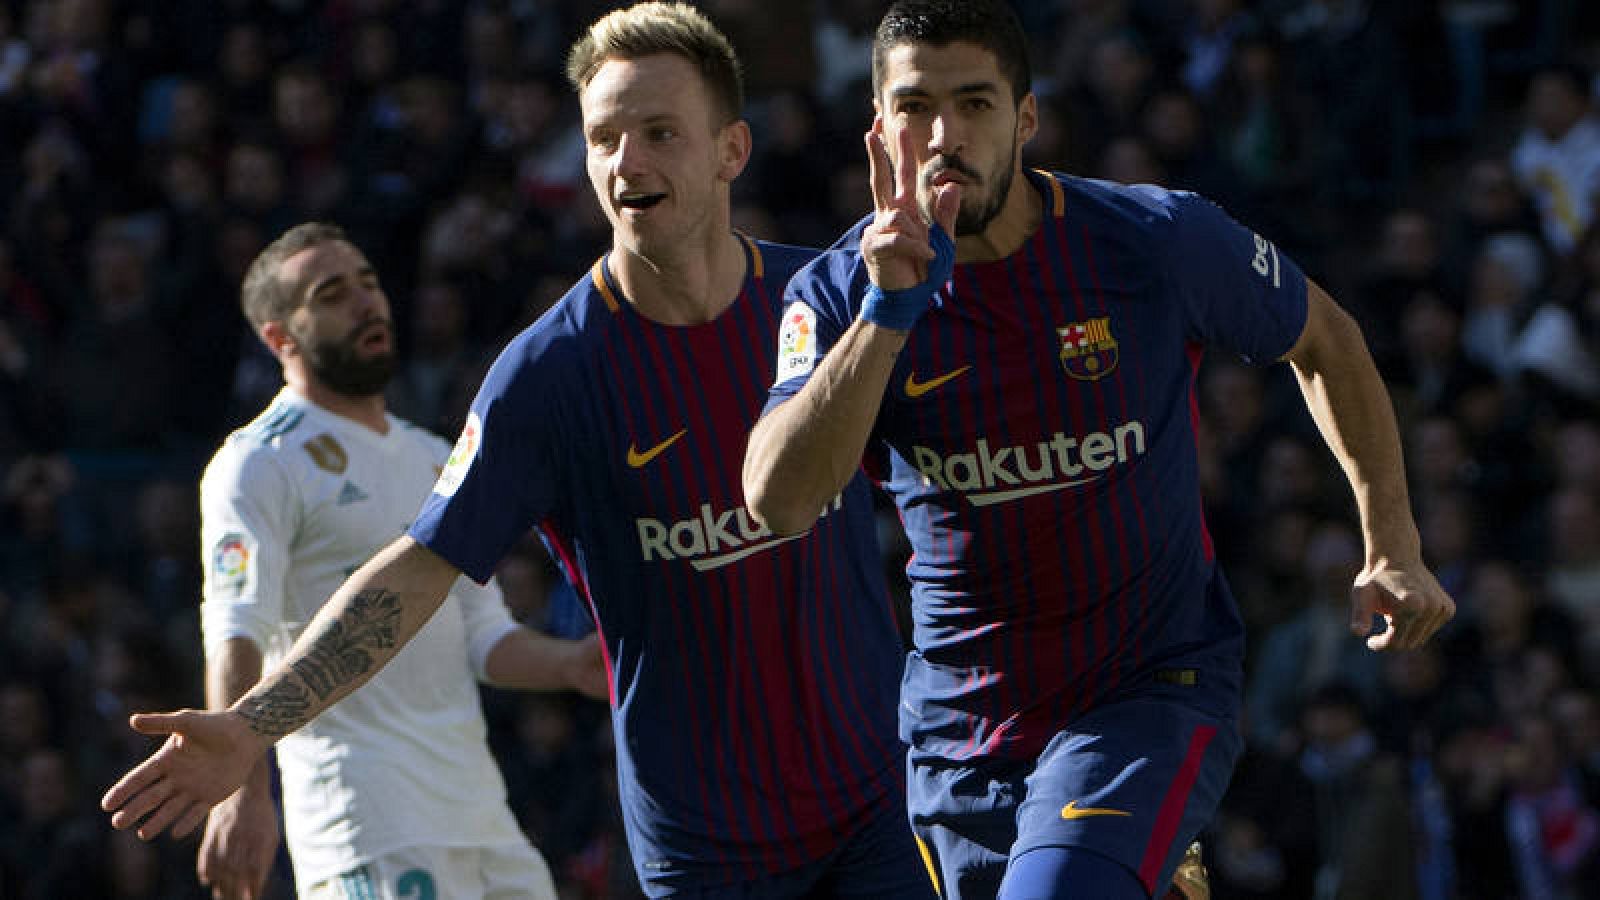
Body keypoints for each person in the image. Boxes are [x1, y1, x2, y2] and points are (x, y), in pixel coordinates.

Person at [102, 5, 933, 898]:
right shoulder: (549, 375)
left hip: (881, 807)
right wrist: (254, 725)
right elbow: (421, 567)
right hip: (710, 850)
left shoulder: (836, 297)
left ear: (732, 150)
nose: (628, 163)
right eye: (604, 137)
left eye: (660, 133)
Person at [741, 2, 1457, 898]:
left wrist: (1390, 542)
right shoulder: (838, 293)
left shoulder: (1153, 240)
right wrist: (890, 312)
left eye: (976, 104)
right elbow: (777, 500)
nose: (945, 136)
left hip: (1147, 692)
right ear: (880, 128)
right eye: (918, 107)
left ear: (1027, 119)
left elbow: (1328, 340)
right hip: (961, 737)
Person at [186, 221, 608, 900]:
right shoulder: (256, 462)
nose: (366, 303)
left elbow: (483, 636)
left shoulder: (433, 455)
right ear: (279, 338)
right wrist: (241, 792)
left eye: (369, 283)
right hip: (368, 822)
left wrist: (569, 664)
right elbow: (237, 632)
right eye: (331, 294)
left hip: (480, 818)